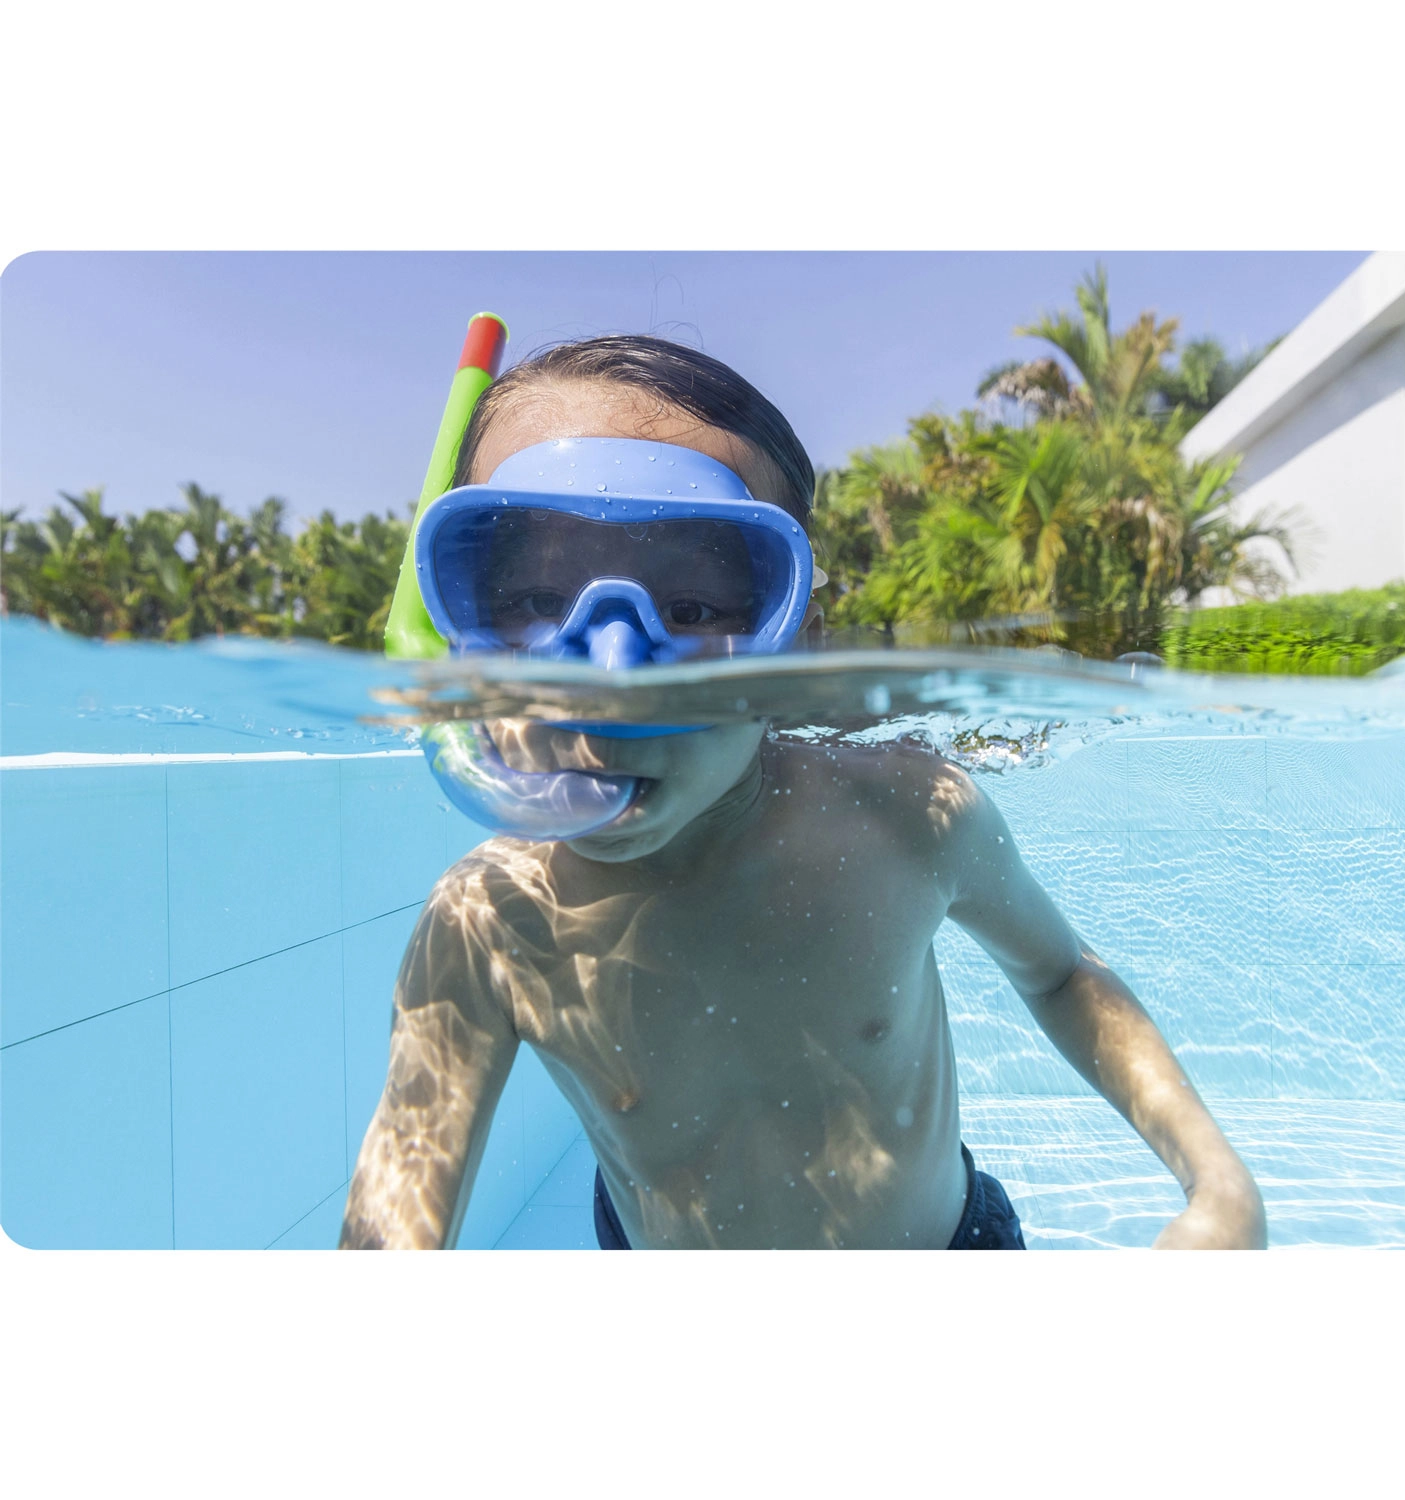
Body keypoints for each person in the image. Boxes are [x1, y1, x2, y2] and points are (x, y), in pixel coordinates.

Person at [339, 336, 1267, 1251]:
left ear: (798, 653)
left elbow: (1062, 973)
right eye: (538, 602)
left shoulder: (907, 819)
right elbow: (392, 1224)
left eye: (691, 610)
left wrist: (1217, 1184)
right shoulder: (489, 921)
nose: (612, 679)